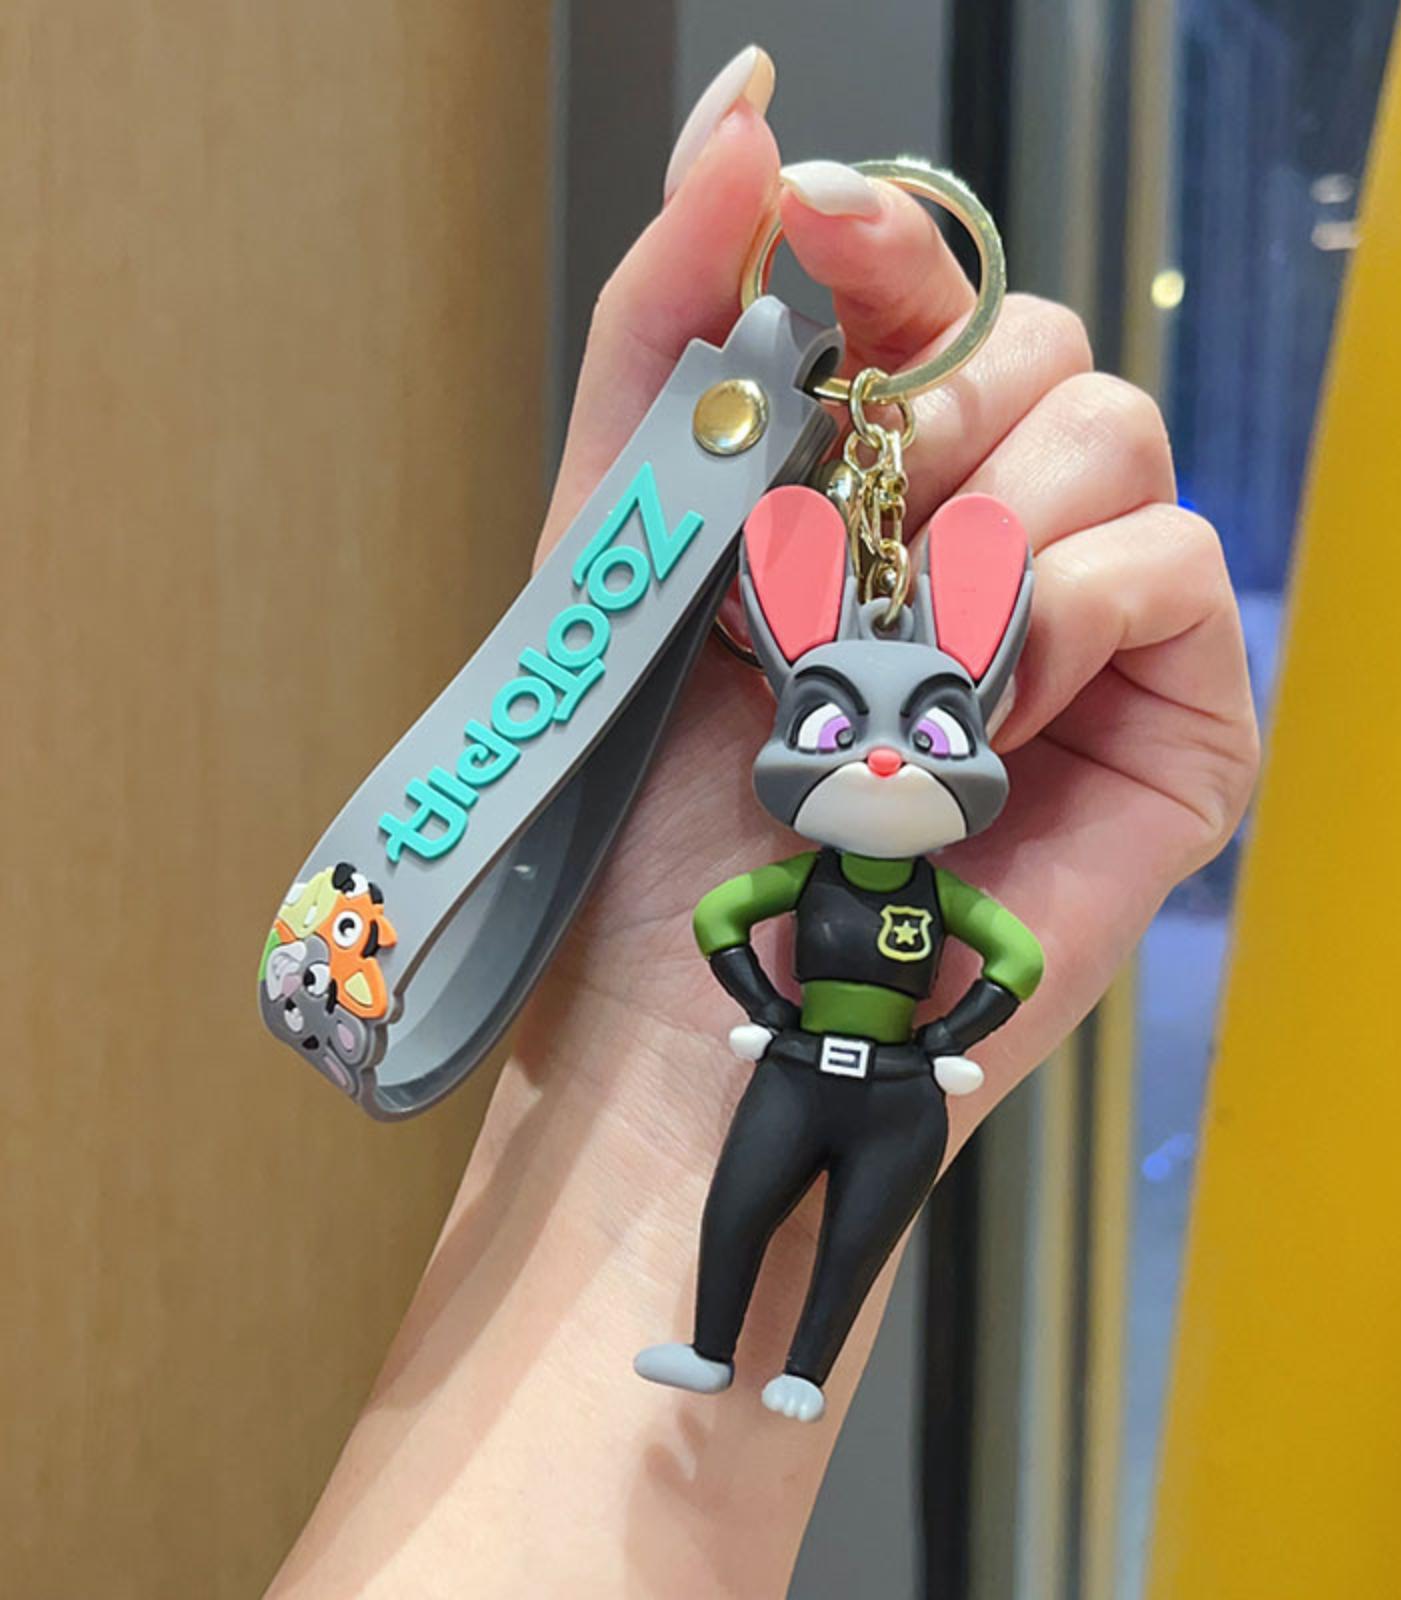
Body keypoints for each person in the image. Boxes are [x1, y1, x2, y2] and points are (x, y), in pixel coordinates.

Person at [267, 44, 1258, 1598]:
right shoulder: (795, 836)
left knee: (839, 1236)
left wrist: (953, 1030)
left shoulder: (938, 886)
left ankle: (780, 1354)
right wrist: (704, 1039)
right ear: (790, 688)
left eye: (930, 729)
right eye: (844, 726)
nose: (887, 767)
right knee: (742, 1215)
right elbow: (734, 917)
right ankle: (723, 1332)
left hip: (885, 1086)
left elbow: (987, 951)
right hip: (793, 1065)